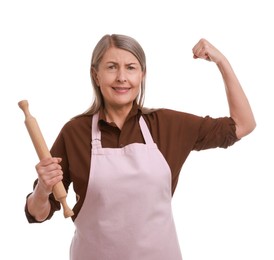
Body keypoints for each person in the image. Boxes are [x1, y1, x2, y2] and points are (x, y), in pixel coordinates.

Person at [25, 34, 256, 260]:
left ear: (142, 75)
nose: (122, 77)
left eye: (131, 68)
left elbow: (243, 125)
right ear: (96, 75)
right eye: (112, 67)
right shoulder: (75, 132)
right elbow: (38, 213)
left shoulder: (167, 125)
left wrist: (221, 61)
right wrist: (42, 191)